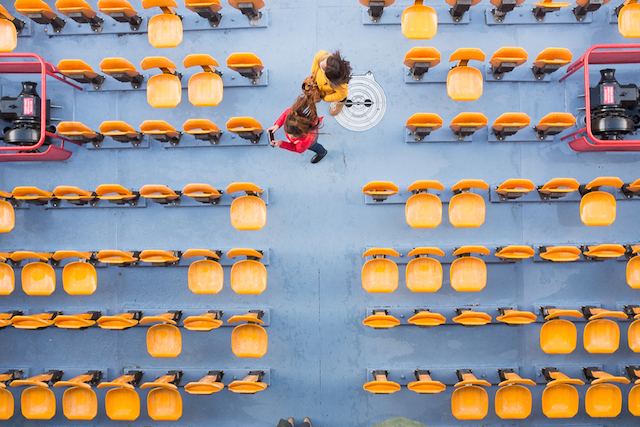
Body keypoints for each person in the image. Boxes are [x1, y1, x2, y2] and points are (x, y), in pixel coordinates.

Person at [267, 93, 328, 164]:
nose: (288, 136)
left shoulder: (304, 143)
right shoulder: (292, 116)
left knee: (315, 146)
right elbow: (286, 113)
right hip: (305, 129)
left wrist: (281, 143)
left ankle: (322, 152)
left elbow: (296, 148)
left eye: (291, 136)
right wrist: (277, 125)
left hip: (311, 141)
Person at [310, 49, 352, 116]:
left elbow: (341, 94)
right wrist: (313, 71)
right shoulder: (322, 56)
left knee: (341, 98)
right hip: (320, 83)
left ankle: (341, 103)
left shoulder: (340, 86)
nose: (321, 63)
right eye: (324, 61)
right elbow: (317, 57)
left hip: (330, 90)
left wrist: (325, 98)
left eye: (322, 68)